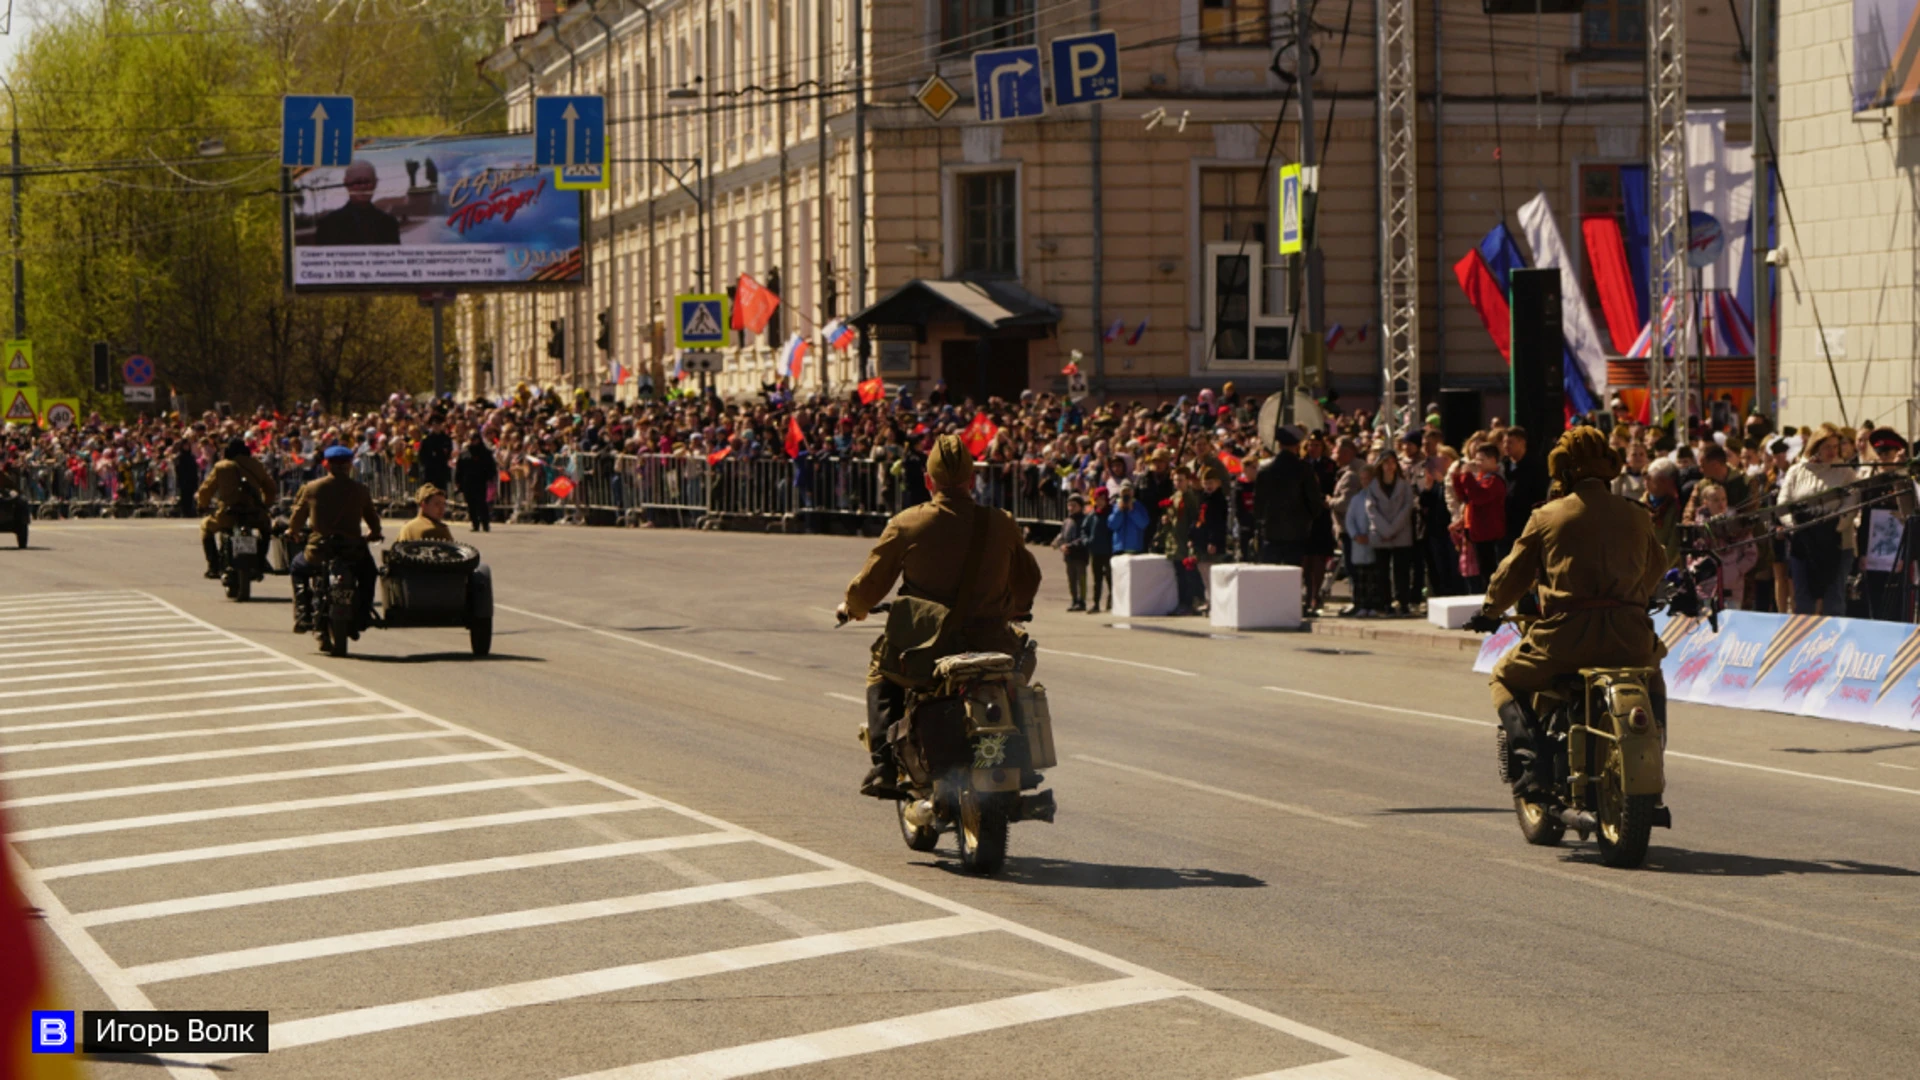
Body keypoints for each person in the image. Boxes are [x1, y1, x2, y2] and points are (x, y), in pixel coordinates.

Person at [1465, 427, 1669, 794]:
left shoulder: (1548, 516)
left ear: (1562, 470)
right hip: (1631, 638)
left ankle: (1533, 765)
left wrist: (1490, 610)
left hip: (1565, 640)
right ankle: (1655, 753)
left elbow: (1513, 573)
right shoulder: (1638, 515)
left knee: (1503, 678)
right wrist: (1636, 596)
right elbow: (1657, 567)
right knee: (1651, 674)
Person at [838, 435, 1041, 797]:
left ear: (930, 481)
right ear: (972, 479)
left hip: (925, 652)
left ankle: (885, 765)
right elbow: (1028, 578)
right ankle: (1022, 758)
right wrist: (1016, 608)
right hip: (992, 643)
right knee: (1015, 675)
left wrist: (853, 609)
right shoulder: (1001, 523)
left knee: (880, 669)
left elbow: (869, 586)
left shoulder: (908, 523)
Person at [287, 444, 383, 634]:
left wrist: (293, 531)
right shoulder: (360, 489)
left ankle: (302, 613)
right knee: (368, 574)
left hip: (320, 550)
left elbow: (297, 516)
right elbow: (373, 519)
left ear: (326, 465)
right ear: (349, 465)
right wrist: (374, 533)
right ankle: (363, 614)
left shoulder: (312, 488)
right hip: (352, 551)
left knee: (297, 568)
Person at [1778, 423, 1861, 615]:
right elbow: (1783, 503)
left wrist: (1834, 526)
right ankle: (1804, 641)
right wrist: (1796, 526)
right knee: (1803, 599)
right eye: (1827, 447)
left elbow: (1851, 503)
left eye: (1835, 446)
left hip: (1837, 543)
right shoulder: (1797, 471)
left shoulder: (1845, 472)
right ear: (1815, 448)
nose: (1832, 451)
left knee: (1834, 599)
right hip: (1803, 542)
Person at [195, 438, 276, 579]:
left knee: (205, 528)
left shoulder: (221, 467)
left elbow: (206, 490)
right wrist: (265, 505)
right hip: (254, 514)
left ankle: (213, 566)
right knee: (266, 529)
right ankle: (261, 560)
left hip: (228, 515)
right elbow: (271, 488)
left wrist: (202, 505)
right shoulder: (256, 465)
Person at [1252, 425, 1326, 567]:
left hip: (1270, 532)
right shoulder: (1304, 469)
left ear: (1279, 444)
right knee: (1292, 576)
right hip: (1297, 532)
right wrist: (1307, 519)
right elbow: (1314, 502)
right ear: (1298, 444)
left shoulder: (1265, 470)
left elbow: (1258, 505)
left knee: (1270, 576)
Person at [1364, 450, 1417, 616]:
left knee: (1401, 570)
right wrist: (1384, 529)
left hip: (1400, 532)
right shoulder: (1373, 486)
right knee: (1382, 571)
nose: (1389, 466)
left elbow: (1407, 507)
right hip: (1380, 533)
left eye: (1393, 462)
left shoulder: (1404, 485)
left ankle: (1403, 601)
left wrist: (1393, 528)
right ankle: (1385, 602)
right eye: (1386, 462)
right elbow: (1371, 508)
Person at [1451, 442, 1507, 591]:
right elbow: (1465, 496)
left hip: (1489, 533)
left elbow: (1478, 497)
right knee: (1482, 570)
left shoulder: (1494, 480)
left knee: (1489, 570)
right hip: (1477, 532)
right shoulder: (1481, 478)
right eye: (1476, 459)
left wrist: (1467, 475)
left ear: (1493, 460)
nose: (1477, 463)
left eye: (1481, 460)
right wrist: (1458, 477)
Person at [313, 160, 401, 246]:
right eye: (357, 182)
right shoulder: (329, 225)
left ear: (375, 183)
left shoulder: (389, 224)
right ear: (346, 183)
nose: (363, 187)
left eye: (367, 181)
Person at [455, 433, 498, 532]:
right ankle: (475, 524)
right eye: (471, 439)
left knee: (481, 503)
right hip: (467, 481)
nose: (473, 441)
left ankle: (485, 524)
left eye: (475, 439)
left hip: (480, 481)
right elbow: (459, 468)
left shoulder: (485, 452)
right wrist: (458, 481)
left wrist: (490, 477)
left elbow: (491, 467)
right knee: (471, 504)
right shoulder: (465, 452)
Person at [1057, 492, 1092, 612]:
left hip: (1080, 554)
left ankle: (1082, 601)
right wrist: (1061, 545)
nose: (1071, 508)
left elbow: (1083, 538)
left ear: (1080, 506)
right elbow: (1061, 536)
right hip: (1068, 555)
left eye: (1074, 505)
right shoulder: (1067, 521)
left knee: (1081, 578)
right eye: (1069, 505)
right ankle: (1074, 599)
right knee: (1071, 579)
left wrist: (1070, 546)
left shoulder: (1084, 520)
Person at [1087, 486, 1115, 612]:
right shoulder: (1092, 515)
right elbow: (1084, 529)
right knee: (1096, 579)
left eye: (1102, 499)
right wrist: (1087, 541)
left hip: (1108, 550)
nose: (1099, 502)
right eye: (1097, 499)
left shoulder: (1111, 514)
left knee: (1110, 578)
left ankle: (1111, 602)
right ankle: (1096, 603)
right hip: (1095, 551)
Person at [1108, 482, 1150, 555]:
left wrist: (1132, 511)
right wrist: (1119, 511)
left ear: (1132, 493)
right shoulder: (1116, 506)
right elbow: (1112, 525)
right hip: (1119, 548)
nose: (1126, 494)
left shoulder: (1139, 506)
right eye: (1124, 492)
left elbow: (1144, 524)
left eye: (1128, 492)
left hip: (1135, 548)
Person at [419, 416, 454, 493]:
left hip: (442, 470)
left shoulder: (446, 439)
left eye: (438, 425)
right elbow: (422, 455)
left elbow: (449, 453)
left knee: (441, 492)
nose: (436, 427)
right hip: (430, 471)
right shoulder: (427, 439)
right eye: (434, 425)